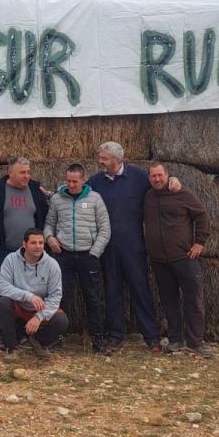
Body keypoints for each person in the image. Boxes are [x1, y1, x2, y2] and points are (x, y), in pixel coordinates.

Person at [87, 141, 179, 353]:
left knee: (141, 290)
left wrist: (173, 180)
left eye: (104, 158)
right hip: (107, 248)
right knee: (112, 292)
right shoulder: (95, 181)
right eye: (100, 157)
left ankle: (152, 337)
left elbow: (160, 186)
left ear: (117, 160)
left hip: (134, 247)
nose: (99, 162)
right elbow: (77, 192)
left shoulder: (138, 177)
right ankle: (115, 336)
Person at [0, 156, 49, 348]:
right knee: (3, 294)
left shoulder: (35, 190)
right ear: (10, 173)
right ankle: (3, 335)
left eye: (28, 172)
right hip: (2, 252)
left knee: (28, 292)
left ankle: (23, 333)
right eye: (22, 172)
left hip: (30, 255)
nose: (27, 176)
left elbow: (45, 215)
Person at [143, 162, 213, 358]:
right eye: (153, 176)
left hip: (184, 257)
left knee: (193, 300)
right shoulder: (148, 196)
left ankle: (195, 342)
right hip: (159, 260)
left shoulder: (182, 194)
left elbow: (202, 216)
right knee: (168, 301)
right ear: (149, 178)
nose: (157, 179)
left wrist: (199, 242)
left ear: (167, 175)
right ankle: (175, 340)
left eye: (160, 176)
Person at [43, 163, 111, 354]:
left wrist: (94, 252)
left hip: (88, 256)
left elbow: (105, 228)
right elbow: (49, 224)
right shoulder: (57, 199)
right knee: (61, 297)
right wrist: (50, 238)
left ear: (83, 180)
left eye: (75, 181)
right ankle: (56, 338)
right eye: (68, 181)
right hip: (63, 256)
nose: (71, 185)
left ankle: (97, 341)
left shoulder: (95, 199)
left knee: (93, 298)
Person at [0, 228, 69, 360]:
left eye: (41, 243)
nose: (38, 246)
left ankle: (37, 342)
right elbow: (2, 286)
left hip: (39, 309)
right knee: (3, 304)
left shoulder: (52, 265)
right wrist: (28, 296)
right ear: (24, 244)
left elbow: (55, 296)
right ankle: (11, 348)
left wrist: (39, 317)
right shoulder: (11, 260)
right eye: (33, 243)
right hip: (18, 306)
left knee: (62, 321)